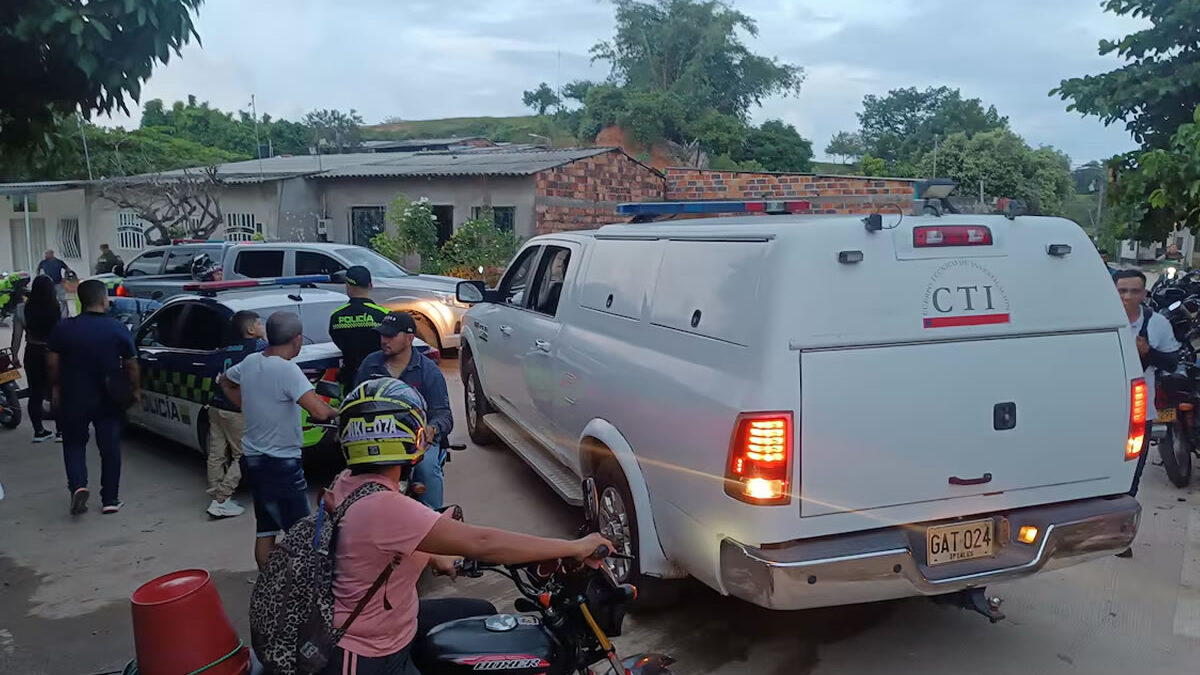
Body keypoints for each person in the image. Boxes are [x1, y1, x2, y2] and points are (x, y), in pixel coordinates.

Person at [323, 377, 611, 674]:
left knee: (480, 612)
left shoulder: (350, 483)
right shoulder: (384, 506)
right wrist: (574, 547)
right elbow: (484, 543)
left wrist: (434, 553)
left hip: (394, 619)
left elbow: (378, 545)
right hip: (367, 652)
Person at [218, 311, 338, 569]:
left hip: (254, 461)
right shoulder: (287, 370)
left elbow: (225, 382)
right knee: (304, 535)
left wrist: (247, 407)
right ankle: (301, 589)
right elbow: (318, 411)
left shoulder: (250, 362)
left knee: (266, 529)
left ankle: (268, 585)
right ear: (297, 340)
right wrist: (342, 412)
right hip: (281, 463)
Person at [47, 279, 140, 515]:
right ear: (102, 300)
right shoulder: (117, 328)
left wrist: (56, 387)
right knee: (109, 447)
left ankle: (78, 486)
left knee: (74, 444)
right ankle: (110, 499)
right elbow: (131, 365)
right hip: (108, 397)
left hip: (73, 395)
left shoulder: (64, 328)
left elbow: (52, 364)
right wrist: (135, 390)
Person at [354, 312, 452, 509]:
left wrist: (432, 429)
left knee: (426, 469)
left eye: (390, 335)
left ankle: (435, 521)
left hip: (416, 440)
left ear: (409, 338)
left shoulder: (428, 370)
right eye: (382, 335)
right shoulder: (369, 364)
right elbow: (355, 401)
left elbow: (443, 414)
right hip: (375, 438)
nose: (384, 340)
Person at [1114, 269, 1181, 556]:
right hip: (1101, 411)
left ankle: (1121, 535)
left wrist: (1148, 353)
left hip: (1139, 414)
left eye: (1134, 291)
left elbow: (1171, 362)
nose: (1128, 297)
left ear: (1144, 294)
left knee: (1132, 475)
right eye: (1122, 291)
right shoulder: (1101, 319)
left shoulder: (1158, 324)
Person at [204, 310, 267, 519]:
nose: (262, 327)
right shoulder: (257, 348)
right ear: (251, 330)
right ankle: (221, 499)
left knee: (217, 452)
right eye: (260, 324)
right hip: (235, 409)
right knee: (242, 454)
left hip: (216, 405)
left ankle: (216, 493)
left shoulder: (225, 349)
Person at [10, 276, 61, 442]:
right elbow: (64, 331)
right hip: (55, 352)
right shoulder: (58, 307)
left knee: (35, 392)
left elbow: (16, 336)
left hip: (33, 351)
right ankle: (61, 430)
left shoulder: (21, 309)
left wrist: (14, 355)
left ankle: (39, 431)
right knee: (56, 390)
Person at [328, 265, 390, 394]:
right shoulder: (384, 315)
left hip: (350, 381)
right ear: (370, 285)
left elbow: (338, 341)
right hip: (380, 380)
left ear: (348, 286)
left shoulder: (336, 316)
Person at [36, 249, 72, 316]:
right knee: (49, 300)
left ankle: (64, 315)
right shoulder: (43, 262)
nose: (46, 255)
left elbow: (68, 269)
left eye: (47, 253)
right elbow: (38, 270)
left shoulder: (58, 262)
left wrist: (65, 278)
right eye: (45, 253)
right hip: (48, 284)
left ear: (52, 254)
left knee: (62, 300)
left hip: (58, 283)